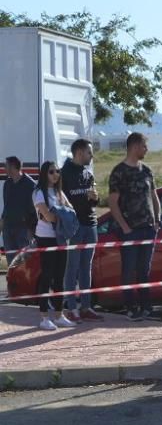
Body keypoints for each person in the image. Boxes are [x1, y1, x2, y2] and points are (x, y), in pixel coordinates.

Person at [108, 132, 161, 321]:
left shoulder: (146, 170)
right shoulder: (118, 172)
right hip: (130, 230)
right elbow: (113, 202)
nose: (146, 149)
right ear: (135, 146)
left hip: (148, 228)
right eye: (144, 146)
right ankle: (131, 307)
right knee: (129, 269)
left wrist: (157, 220)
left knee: (144, 270)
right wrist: (125, 227)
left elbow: (154, 196)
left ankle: (146, 307)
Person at [60, 139, 103, 322]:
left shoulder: (88, 174)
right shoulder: (63, 174)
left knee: (87, 267)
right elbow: (59, 202)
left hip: (91, 224)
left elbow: (94, 202)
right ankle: (71, 308)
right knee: (72, 268)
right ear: (79, 152)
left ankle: (86, 307)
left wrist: (95, 198)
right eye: (89, 152)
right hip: (74, 227)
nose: (91, 156)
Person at [32, 161, 76, 331]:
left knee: (59, 277)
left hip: (61, 238)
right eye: (51, 171)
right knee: (47, 276)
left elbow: (70, 210)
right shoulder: (38, 192)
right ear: (44, 173)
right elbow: (47, 216)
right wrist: (61, 215)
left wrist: (60, 214)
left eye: (57, 171)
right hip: (45, 238)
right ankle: (44, 317)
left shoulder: (59, 192)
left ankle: (59, 315)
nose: (55, 174)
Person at [2, 155, 36, 256]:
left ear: (12, 167)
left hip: (23, 230)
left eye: (6, 166)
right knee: (11, 264)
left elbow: (34, 210)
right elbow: (6, 208)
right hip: (8, 230)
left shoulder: (30, 185)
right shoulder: (7, 184)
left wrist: (31, 230)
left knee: (24, 264)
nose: (4, 168)